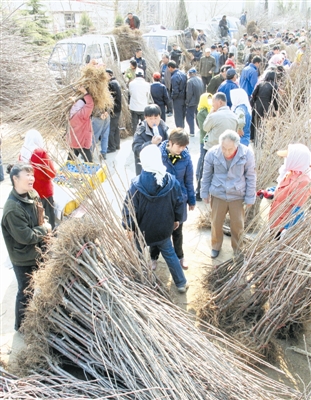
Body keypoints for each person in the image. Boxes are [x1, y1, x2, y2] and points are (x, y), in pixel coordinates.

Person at [123, 145, 189, 293]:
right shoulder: (171, 181)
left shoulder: (136, 185)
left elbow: (129, 208)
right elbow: (179, 202)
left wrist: (128, 226)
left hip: (142, 231)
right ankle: (181, 283)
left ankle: (140, 283)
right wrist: (177, 219)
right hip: (164, 229)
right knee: (170, 255)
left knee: (138, 255)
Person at [1, 163, 51, 330]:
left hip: (38, 250)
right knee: (25, 292)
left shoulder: (32, 193)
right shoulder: (12, 208)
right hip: (23, 257)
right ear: (15, 179)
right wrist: (44, 229)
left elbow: (40, 215)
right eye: (27, 175)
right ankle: (21, 326)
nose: (32, 178)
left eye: (32, 175)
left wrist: (45, 225)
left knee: (41, 286)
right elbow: (25, 236)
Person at [200, 130, 256, 258]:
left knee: (237, 224)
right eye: (223, 148)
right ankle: (215, 246)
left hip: (237, 195)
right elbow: (206, 174)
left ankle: (238, 248)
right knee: (216, 222)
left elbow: (251, 177)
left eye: (230, 149)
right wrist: (204, 192)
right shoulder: (212, 153)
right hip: (218, 193)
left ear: (237, 145)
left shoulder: (247, 154)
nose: (226, 152)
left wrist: (249, 197)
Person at [150, 129, 195, 270]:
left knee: (177, 231)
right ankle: (153, 257)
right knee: (157, 230)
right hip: (161, 199)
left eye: (184, 146)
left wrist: (191, 200)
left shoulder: (186, 157)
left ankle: (180, 256)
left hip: (179, 199)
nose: (182, 149)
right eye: (179, 146)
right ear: (170, 142)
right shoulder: (157, 154)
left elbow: (189, 181)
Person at [268, 144, 311, 236]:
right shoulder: (290, 172)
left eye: (287, 157)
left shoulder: (302, 182)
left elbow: (297, 210)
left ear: (297, 160)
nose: (285, 160)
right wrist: (271, 193)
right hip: (274, 222)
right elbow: (283, 193)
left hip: (282, 228)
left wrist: (286, 230)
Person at [20, 129, 56, 229]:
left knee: (35, 220)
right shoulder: (41, 153)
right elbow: (52, 173)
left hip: (28, 193)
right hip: (43, 192)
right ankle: (50, 239)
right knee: (48, 221)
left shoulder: (22, 153)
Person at [132, 104, 169, 175]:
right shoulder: (141, 131)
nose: (153, 121)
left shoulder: (163, 127)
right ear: (145, 118)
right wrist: (151, 143)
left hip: (161, 167)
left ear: (160, 116)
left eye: (156, 118)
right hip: (146, 170)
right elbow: (136, 150)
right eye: (150, 118)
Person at [67, 86, 94, 162]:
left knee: (70, 159)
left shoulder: (72, 112)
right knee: (89, 162)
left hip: (73, 140)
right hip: (82, 142)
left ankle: (67, 171)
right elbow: (90, 104)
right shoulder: (82, 114)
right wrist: (85, 92)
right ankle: (91, 173)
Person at [250, 71, 278, 142]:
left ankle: (252, 137)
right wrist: (276, 109)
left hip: (257, 104)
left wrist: (253, 105)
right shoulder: (274, 85)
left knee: (254, 122)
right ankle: (263, 139)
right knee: (264, 123)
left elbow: (253, 95)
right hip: (266, 105)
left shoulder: (260, 84)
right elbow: (275, 99)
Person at [195, 92, 213, 200]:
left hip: (210, 139)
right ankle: (198, 175)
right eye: (208, 99)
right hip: (205, 139)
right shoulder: (201, 112)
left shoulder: (212, 110)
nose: (210, 101)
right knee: (203, 158)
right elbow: (203, 128)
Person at [106, 69, 122, 154]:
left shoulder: (111, 84)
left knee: (110, 129)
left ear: (110, 75)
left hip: (114, 110)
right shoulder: (116, 82)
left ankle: (112, 147)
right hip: (118, 109)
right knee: (115, 128)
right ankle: (117, 145)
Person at [185, 68, 204, 137]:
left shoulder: (189, 81)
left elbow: (189, 93)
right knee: (198, 116)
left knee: (190, 117)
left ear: (189, 74)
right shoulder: (200, 79)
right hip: (199, 101)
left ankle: (192, 132)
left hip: (192, 102)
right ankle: (201, 129)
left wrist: (187, 101)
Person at [168, 61, 187, 128]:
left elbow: (175, 90)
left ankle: (180, 131)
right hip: (185, 97)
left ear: (170, 67)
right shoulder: (183, 74)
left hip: (178, 99)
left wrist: (172, 97)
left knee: (178, 116)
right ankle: (182, 129)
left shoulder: (174, 77)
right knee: (182, 115)